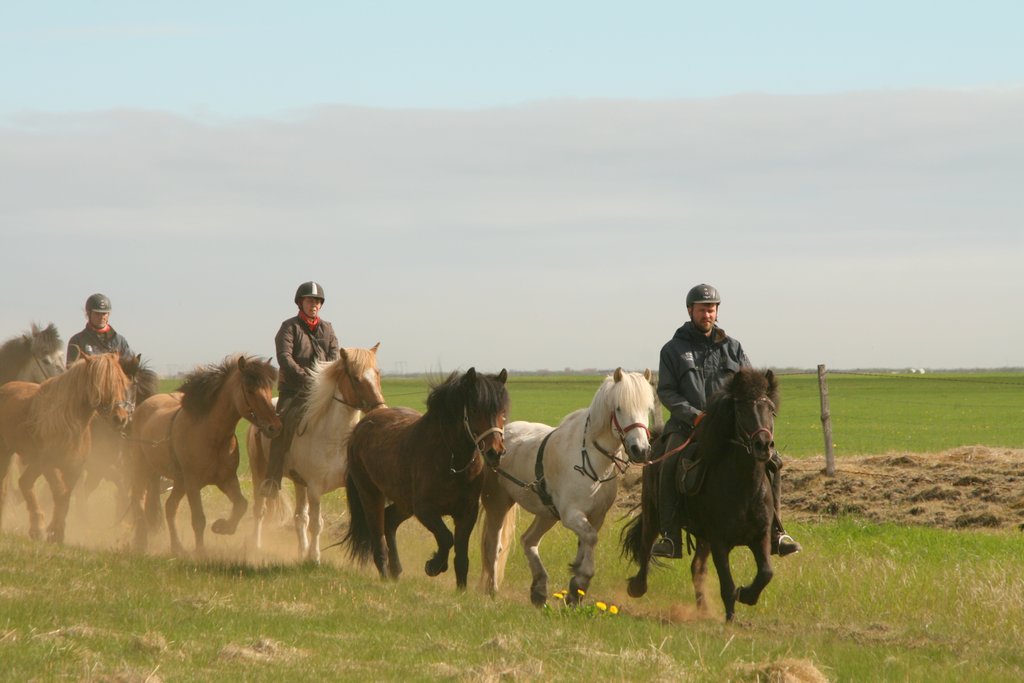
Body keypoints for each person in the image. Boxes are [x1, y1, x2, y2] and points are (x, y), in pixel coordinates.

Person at [651, 283, 801, 559]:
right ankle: (671, 537)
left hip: (729, 428)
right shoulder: (672, 350)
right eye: (701, 309)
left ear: (717, 312)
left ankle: (777, 532)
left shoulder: (733, 348)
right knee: (668, 465)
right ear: (690, 311)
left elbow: (751, 387)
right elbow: (667, 391)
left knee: (772, 462)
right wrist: (694, 415)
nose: (707, 314)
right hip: (687, 426)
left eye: (711, 309)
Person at [260, 281, 340, 497]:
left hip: (321, 391)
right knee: (280, 425)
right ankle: (272, 479)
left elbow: (334, 358)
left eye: (317, 301)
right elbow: (285, 358)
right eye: (310, 300)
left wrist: (324, 382)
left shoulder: (328, 329)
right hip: (293, 390)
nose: (314, 304)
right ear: (300, 303)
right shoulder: (289, 327)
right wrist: (307, 378)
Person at [67, 293, 134, 364]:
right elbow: (72, 368)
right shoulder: (77, 341)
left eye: (104, 313)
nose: (101, 317)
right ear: (88, 313)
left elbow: (129, 367)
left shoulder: (120, 341)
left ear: (109, 314)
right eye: (97, 313)